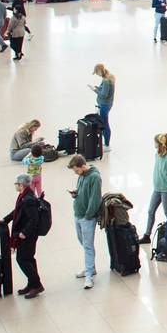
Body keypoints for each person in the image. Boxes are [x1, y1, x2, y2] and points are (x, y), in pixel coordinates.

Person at [1, 176, 45, 298]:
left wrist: (23, 233)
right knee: (29, 259)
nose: (15, 185)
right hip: (26, 235)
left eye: (16, 183)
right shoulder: (24, 196)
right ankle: (31, 284)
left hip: (28, 236)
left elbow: (34, 219)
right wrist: (5, 219)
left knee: (22, 259)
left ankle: (36, 285)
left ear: (21, 185)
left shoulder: (28, 199)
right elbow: (17, 211)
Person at [139, 133, 167, 244]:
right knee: (150, 211)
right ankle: (147, 235)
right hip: (157, 189)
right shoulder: (157, 155)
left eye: (155, 142)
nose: (154, 144)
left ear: (159, 143)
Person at [69, 154, 101, 288]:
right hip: (78, 214)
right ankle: (91, 268)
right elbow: (82, 191)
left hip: (86, 217)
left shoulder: (94, 177)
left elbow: (95, 198)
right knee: (82, 241)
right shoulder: (81, 176)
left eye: (76, 170)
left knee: (87, 245)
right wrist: (76, 193)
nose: (76, 173)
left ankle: (89, 275)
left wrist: (88, 215)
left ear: (83, 166)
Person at [91, 64, 115, 149]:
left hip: (104, 105)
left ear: (99, 71)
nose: (97, 75)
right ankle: (106, 143)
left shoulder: (106, 81)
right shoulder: (108, 78)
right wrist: (98, 88)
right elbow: (104, 91)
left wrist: (95, 90)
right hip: (106, 104)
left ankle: (107, 144)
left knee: (104, 124)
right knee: (105, 122)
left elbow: (104, 95)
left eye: (97, 73)